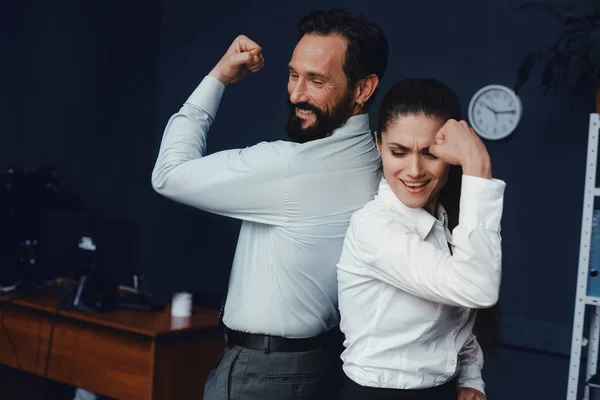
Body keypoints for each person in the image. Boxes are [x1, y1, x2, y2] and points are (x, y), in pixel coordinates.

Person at [151, 8, 388, 400]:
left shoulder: (289, 167)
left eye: (316, 80)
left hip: (261, 375)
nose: (296, 94)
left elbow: (168, 173)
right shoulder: (375, 155)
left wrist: (219, 77)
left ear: (363, 89)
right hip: (318, 366)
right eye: (293, 75)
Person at [336, 78, 506, 400]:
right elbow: (476, 287)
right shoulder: (374, 227)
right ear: (378, 145)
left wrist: (470, 378)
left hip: (440, 391)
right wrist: (477, 166)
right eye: (398, 152)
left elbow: (455, 318)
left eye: (429, 153)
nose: (414, 170)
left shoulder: (448, 222)